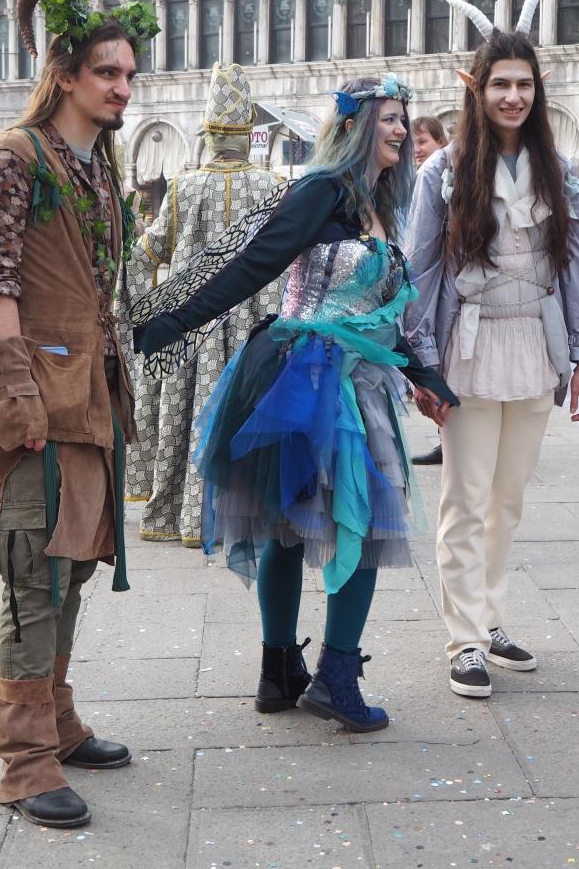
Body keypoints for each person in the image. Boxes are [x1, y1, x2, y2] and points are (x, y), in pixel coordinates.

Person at [133, 73, 456, 733]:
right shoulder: (322, 190)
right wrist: (174, 322)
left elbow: (381, 310)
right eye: (389, 118)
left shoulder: (379, 205)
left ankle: (284, 674)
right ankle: (324, 676)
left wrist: (424, 374)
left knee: (312, 521)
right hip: (305, 376)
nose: (401, 130)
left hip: (357, 378)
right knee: (350, 524)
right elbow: (254, 265)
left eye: (404, 118)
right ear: (354, 126)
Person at [0, 0, 157, 829]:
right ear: (65, 73)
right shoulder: (14, 157)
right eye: (107, 73)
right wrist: (15, 390)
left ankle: (58, 718)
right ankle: (24, 760)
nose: (122, 88)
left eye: (129, 75)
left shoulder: (97, 164)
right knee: (33, 573)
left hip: (90, 393)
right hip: (36, 394)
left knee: (73, 562)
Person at [405, 0, 579, 699]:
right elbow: (421, 268)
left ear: (537, 89)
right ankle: (462, 639)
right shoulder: (443, 170)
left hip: (535, 345)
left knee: (508, 499)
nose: (513, 97)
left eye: (523, 84)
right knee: (466, 498)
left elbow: (577, 266)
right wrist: (422, 365)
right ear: (477, 89)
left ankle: (489, 620)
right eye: (500, 85)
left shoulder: (562, 171)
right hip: (468, 348)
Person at [124, 62, 284, 547]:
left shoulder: (184, 188)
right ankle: (248, 516)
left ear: (209, 134)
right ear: (249, 130)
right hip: (259, 324)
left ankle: (182, 513)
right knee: (252, 411)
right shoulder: (275, 187)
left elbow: (145, 254)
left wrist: (138, 310)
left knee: (188, 413)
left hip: (194, 325)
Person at [407, 115, 452, 468]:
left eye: (422, 142)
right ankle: (446, 437)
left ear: (440, 141)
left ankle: (449, 438)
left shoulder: (442, 175)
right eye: (413, 144)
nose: (416, 150)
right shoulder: (419, 179)